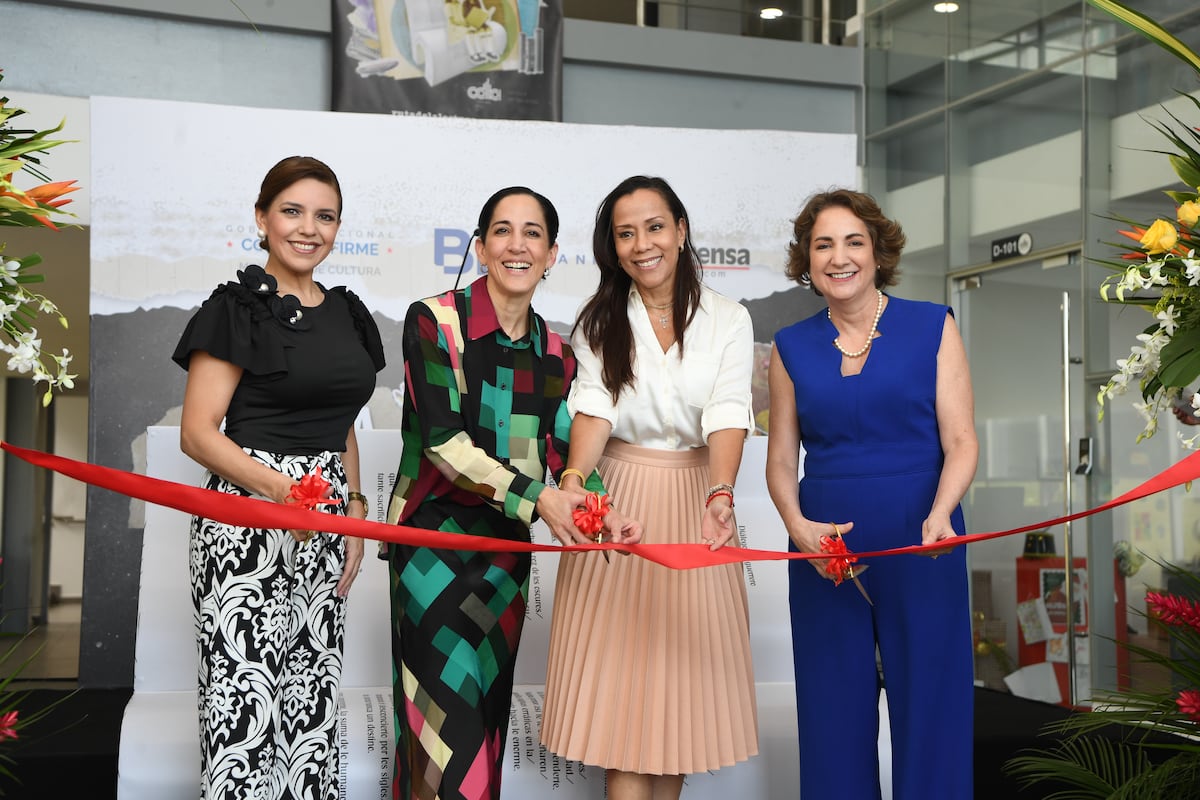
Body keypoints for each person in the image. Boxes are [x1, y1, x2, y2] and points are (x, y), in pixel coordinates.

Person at [384, 186, 641, 800]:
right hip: (430, 547)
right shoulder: (434, 321)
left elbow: (564, 451)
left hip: (505, 559)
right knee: (444, 732)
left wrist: (600, 511)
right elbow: (446, 445)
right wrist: (539, 501)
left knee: (483, 727)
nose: (516, 245)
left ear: (552, 254)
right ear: (479, 248)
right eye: (502, 231)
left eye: (532, 234)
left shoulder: (557, 353)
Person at [173, 155, 384, 800]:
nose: (308, 228)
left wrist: (350, 512)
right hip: (246, 521)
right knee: (245, 707)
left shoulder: (348, 313)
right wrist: (279, 490)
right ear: (262, 218)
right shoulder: (236, 307)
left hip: (323, 518)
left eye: (325, 216)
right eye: (292, 211)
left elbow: (342, 423)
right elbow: (198, 433)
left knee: (310, 705)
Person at [541, 175, 759, 800]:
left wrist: (721, 495)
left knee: (676, 706)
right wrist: (577, 483)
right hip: (620, 504)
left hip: (699, 500)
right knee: (622, 705)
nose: (642, 244)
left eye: (654, 227)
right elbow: (593, 408)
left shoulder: (728, 319)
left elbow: (726, 411)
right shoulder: (600, 320)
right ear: (613, 246)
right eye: (625, 233)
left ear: (681, 231)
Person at [765, 188, 977, 799]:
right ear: (806, 261)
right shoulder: (789, 347)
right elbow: (781, 460)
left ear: (878, 253)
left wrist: (941, 514)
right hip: (825, 556)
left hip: (924, 543)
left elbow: (961, 441)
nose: (839, 257)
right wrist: (799, 528)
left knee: (932, 711)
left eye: (853, 242)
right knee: (831, 716)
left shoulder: (933, 325)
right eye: (822, 244)